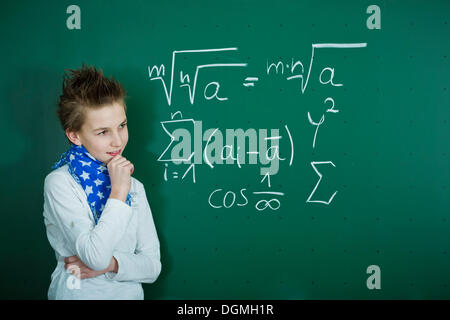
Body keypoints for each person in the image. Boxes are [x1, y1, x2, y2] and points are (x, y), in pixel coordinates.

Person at [42, 64, 161, 300]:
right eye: (103, 132)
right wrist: (118, 191)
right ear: (74, 135)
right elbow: (94, 256)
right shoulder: (60, 183)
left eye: (122, 126)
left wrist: (112, 264)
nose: (118, 141)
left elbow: (152, 268)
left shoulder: (134, 187)